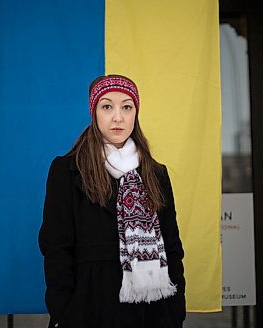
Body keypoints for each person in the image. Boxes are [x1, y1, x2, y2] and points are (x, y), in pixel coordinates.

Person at [39, 75, 186, 328]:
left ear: (135, 113)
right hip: (88, 310)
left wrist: (175, 314)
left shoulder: (155, 173)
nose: (118, 117)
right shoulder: (67, 169)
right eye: (107, 106)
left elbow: (172, 247)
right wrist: (64, 313)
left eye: (126, 107)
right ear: (94, 112)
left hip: (150, 313)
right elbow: (56, 248)